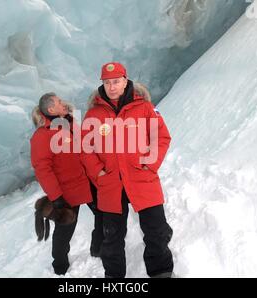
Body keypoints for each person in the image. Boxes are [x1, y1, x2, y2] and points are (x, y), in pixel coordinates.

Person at [81, 62, 173, 278]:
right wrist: (99, 173)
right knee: (111, 238)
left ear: (125, 81)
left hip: (142, 178)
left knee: (156, 232)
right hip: (111, 184)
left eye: (115, 81)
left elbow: (161, 137)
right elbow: (85, 148)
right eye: (107, 82)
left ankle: (161, 273)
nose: (111, 86)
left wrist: (149, 163)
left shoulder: (144, 108)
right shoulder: (94, 115)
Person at [30, 93, 103, 275]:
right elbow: (42, 170)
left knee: (103, 214)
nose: (63, 103)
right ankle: (60, 267)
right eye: (59, 102)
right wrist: (56, 197)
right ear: (50, 109)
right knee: (65, 230)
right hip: (67, 192)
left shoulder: (70, 123)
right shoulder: (42, 136)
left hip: (88, 182)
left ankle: (98, 248)